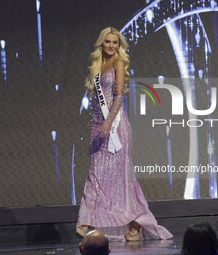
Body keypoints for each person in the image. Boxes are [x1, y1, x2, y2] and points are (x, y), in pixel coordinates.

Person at [76, 26, 173, 241]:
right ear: (102, 43)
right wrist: (99, 124)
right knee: (95, 176)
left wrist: (108, 124)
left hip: (116, 127)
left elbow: (119, 98)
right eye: (108, 41)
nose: (111, 45)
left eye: (115, 42)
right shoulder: (96, 66)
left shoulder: (119, 63)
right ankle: (88, 220)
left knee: (122, 179)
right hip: (97, 126)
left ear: (119, 46)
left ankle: (135, 225)